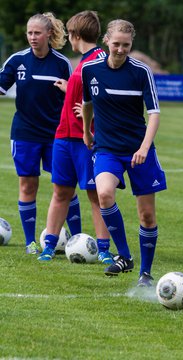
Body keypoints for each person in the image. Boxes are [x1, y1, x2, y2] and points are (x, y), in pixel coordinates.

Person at [82, 19, 167, 287]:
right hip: (107, 148)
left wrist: (143, 147)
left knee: (147, 215)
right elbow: (86, 104)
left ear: (131, 45)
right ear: (106, 40)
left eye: (126, 45)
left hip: (138, 151)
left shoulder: (141, 72)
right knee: (104, 193)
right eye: (116, 43)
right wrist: (86, 131)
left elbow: (154, 114)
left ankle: (145, 272)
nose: (120, 49)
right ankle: (125, 257)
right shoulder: (90, 70)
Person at [0, 12, 81, 254]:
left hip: (57, 135)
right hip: (25, 133)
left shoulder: (61, 63)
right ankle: (30, 243)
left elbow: (74, 95)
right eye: (29, 33)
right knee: (27, 186)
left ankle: (78, 239)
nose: (32, 37)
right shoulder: (17, 60)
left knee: (66, 187)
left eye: (37, 33)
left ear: (48, 34)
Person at [37, 11, 113, 263]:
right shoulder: (84, 61)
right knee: (61, 192)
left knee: (94, 194)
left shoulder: (101, 59)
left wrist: (94, 115)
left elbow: (110, 97)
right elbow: (87, 91)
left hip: (85, 140)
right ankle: (49, 246)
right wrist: (70, 89)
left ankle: (103, 250)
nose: (69, 39)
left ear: (76, 35)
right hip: (63, 137)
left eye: (70, 35)